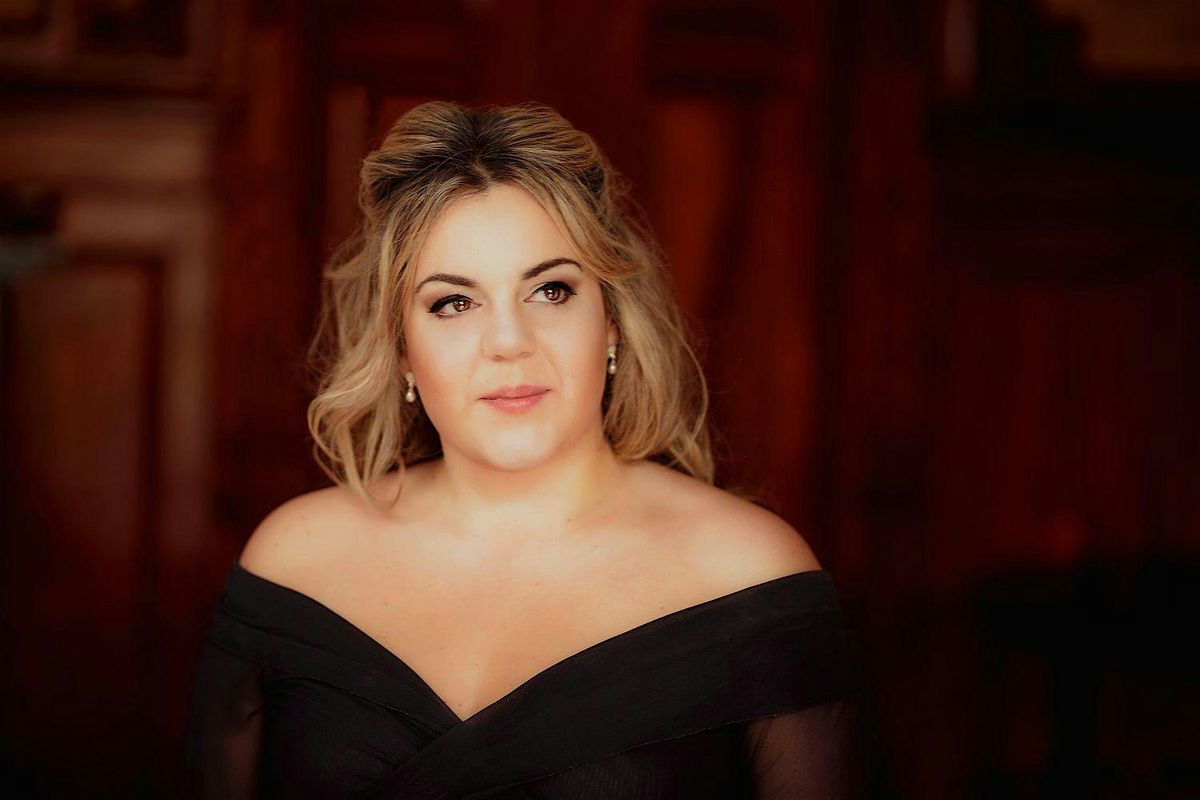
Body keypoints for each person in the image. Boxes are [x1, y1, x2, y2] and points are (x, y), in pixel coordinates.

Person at [178, 100, 872, 798]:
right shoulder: (295, 564)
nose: (509, 342)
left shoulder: (747, 574)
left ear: (611, 322)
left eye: (550, 290)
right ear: (401, 351)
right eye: (454, 303)